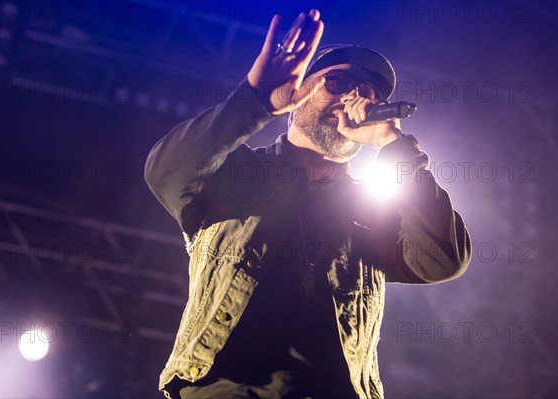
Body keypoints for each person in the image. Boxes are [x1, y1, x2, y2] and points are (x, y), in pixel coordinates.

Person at [145, 9, 471, 399]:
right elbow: (165, 170)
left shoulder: (376, 211)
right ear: (299, 93)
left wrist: (394, 148)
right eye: (339, 81)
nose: (355, 96)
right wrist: (255, 100)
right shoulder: (239, 172)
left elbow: (443, 260)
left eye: (371, 92)